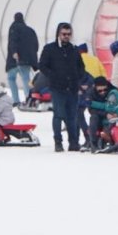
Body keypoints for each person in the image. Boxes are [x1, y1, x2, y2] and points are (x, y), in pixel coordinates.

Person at [38, 22, 85, 152]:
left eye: (69, 34)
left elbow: (81, 66)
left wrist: (78, 78)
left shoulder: (74, 49)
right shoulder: (50, 49)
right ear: (59, 34)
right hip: (58, 88)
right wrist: (53, 76)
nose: (66, 36)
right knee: (58, 115)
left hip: (72, 88)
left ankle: (73, 142)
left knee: (72, 116)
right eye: (64, 34)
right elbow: (42, 65)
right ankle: (58, 142)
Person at [5, 12, 39, 106]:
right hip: (27, 60)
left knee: (11, 78)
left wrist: (14, 52)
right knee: (26, 79)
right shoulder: (30, 30)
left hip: (14, 60)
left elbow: (12, 41)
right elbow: (36, 45)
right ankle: (29, 99)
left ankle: (16, 100)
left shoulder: (14, 28)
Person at [76, 71, 95, 148]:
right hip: (82, 98)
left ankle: (88, 137)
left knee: (79, 118)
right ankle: (86, 138)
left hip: (80, 99)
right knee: (78, 119)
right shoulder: (86, 73)